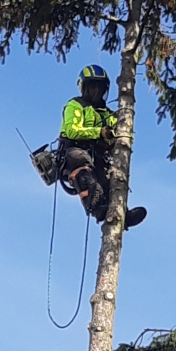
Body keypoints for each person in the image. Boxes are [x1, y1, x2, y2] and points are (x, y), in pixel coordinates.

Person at [57, 64, 147, 229]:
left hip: (97, 156)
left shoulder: (107, 114)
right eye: (92, 87)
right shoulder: (75, 105)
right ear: (84, 88)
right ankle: (96, 206)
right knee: (83, 166)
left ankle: (121, 213)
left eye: (99, 88)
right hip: (74, 152)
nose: (96, 92)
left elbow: (120, 131)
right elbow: (71, 130)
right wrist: (99, 132)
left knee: (108, 180)